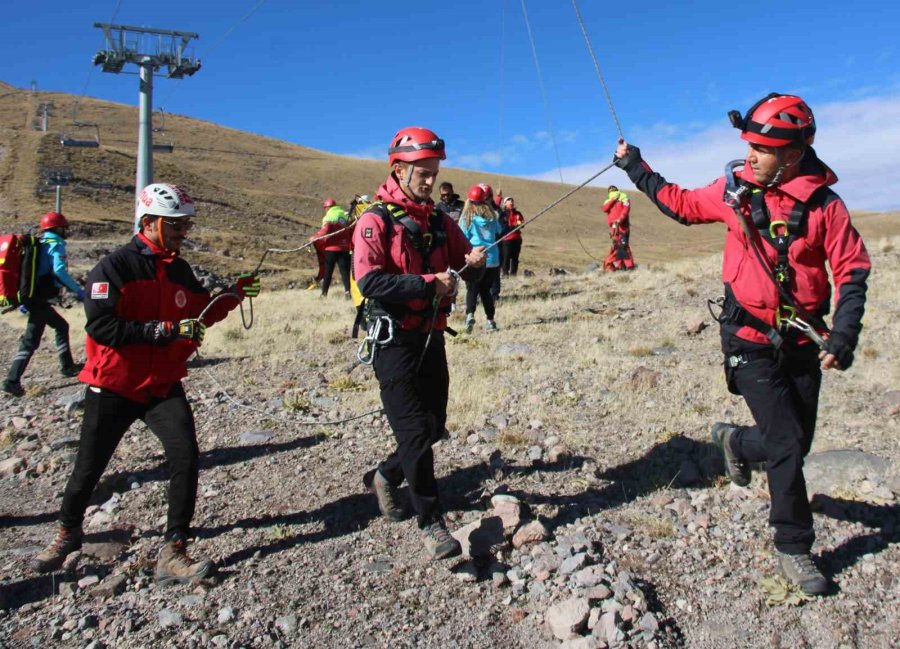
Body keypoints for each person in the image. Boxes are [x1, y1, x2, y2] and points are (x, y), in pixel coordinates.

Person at [613, 93, 870, 596]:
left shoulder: (826, 207)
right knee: (788, 444)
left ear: (794, 152)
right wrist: (636, 167)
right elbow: (682, 205)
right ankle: (794, 548)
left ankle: (733, 440)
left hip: (803, 341)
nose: (749, 154)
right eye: (747, 144)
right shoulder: (734, 190)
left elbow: (852, 269)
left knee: (794, 440)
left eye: (761, 147)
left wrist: (845, 331)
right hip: (747, 338)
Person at [31, 183, 261, 585]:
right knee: (88, 468)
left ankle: (174, 549)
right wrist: (166, 330)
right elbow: (102, 326)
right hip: (114, 384)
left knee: (186, 458)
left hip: (162, 383)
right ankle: (68, 532)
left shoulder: (180, 269)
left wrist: (234, 295)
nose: (182, 232)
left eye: (185, 224)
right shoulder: (114, 267)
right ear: (149, 221)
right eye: (175, 224)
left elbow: (201, 314)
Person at [353, 127, 485, 560]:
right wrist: (431, 283)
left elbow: (464, 270)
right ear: (398, 169)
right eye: (422, 173)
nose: (429, 180)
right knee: (414, 432)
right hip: (393, 342)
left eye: (434, 172)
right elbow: (370, 281)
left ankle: (386, 476)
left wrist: (473, 264)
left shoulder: (440, 221)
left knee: (432, 426)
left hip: (431, 336)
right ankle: (431, 521)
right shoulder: (375, 220)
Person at [3, 211, 84, 397]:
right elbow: (59, 271)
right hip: (38, 300)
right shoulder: (56, 245)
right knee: (31, 341)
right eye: (64, 227)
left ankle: (67, 366)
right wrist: (78, 291)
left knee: (61, 326)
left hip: (33, 298)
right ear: (57, 228)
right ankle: (11, 380)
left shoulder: (39, 244)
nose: (66, 231)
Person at [460, 185, 503, 333]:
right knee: (486, 291)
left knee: (472, 288)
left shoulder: (467, 218)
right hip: (492, 258)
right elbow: (499, 231)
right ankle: (490, 321)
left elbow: (462, 237)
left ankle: (470, 315)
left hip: (475, 257)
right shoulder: (492, 217)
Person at [313, 198, 353, 298]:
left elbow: (324, 232)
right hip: (344, 248)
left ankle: (324, 294)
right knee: (345, 272)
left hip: (331, 249)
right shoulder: (344, 215)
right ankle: (348, 292)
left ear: (327, 207)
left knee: (328, 272)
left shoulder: (329, 217)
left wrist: (313, 238)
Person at [601, 186, 635, 271]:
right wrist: (613, 200)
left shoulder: (624, 198)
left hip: (622, 226)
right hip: (614, 228)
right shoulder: (609, 201)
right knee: (618, 246)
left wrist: (620, 219)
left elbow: (626, 210)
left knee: (623, 246)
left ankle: (628, 266)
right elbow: (604, 209)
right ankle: (622, 266)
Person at [500, 196, 525, 277]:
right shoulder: (503, 214)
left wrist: (519, 224)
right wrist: (513, 226)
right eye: (509, 200)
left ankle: (513, 274)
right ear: (505, 203)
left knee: (515, 258)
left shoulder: (518, 214)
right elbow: (502, 226)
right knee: (506, 257)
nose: (511, 202)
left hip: (517, 239)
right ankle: (505, 274)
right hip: (506, 239)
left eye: (512, 200)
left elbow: (522, 224)